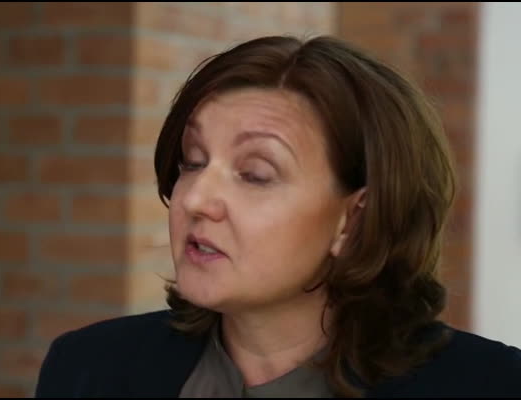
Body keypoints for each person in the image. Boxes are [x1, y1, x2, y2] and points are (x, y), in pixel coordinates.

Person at [35, 35, 521, 398]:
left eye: (255, 174)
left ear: (354, 219)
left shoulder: (493, 385)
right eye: (193, 161)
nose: (196, 199)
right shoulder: (86, 369)